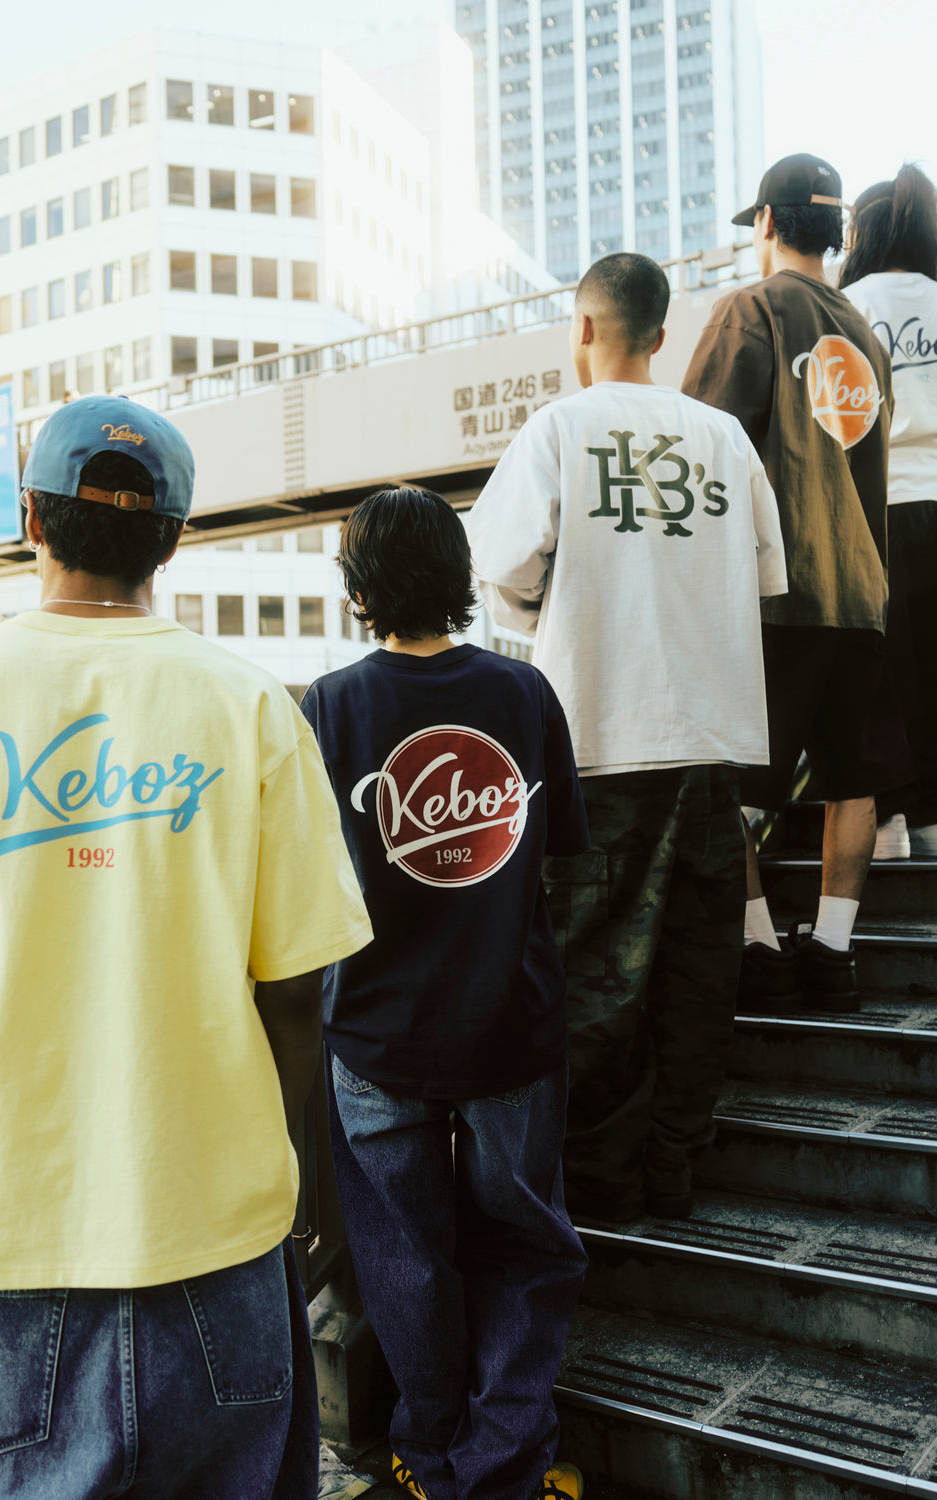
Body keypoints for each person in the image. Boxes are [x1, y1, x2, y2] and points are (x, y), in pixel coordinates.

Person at [0, 394, 373, 1499]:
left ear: (30, 520)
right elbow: (298, 1001)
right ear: (173, 539)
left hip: (4, 1246)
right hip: (217, 1241)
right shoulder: (250, 709)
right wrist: (294, 1193)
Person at [466, 253, 786, 1225]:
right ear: (660, 335)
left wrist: (560, 601)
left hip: (597, 741)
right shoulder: (724, 437)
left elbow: (503, 570)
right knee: (699, 968)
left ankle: (602, 1189)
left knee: (594, 969)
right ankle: (676, 1165)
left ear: (583, 328)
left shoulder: (559, 428)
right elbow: (766, 579)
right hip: (710, 741)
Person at [302, 486, 590, 1500]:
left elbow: (302, 887)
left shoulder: (326, 707)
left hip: (374, 1032)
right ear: (459, 576)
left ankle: (427, 1457)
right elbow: (559, 858)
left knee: (403, 1256)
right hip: (512, 1020)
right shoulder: (523, 694)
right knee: (525, 1244)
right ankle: (503, 1468)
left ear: (359, 587)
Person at [681, 153, 894, 1014]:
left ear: (767, 222)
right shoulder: (866, 336)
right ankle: (833, 953)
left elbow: (699, 444)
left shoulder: (752, 309)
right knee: (852, 775)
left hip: (778, 593)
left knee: (726, 781)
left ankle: (759, 946)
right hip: (865, 592)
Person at [839, 163, 937, 858]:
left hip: (879, 510)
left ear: (863, 237)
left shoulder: (848, 306)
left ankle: (892, 820)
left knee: (883, 672)